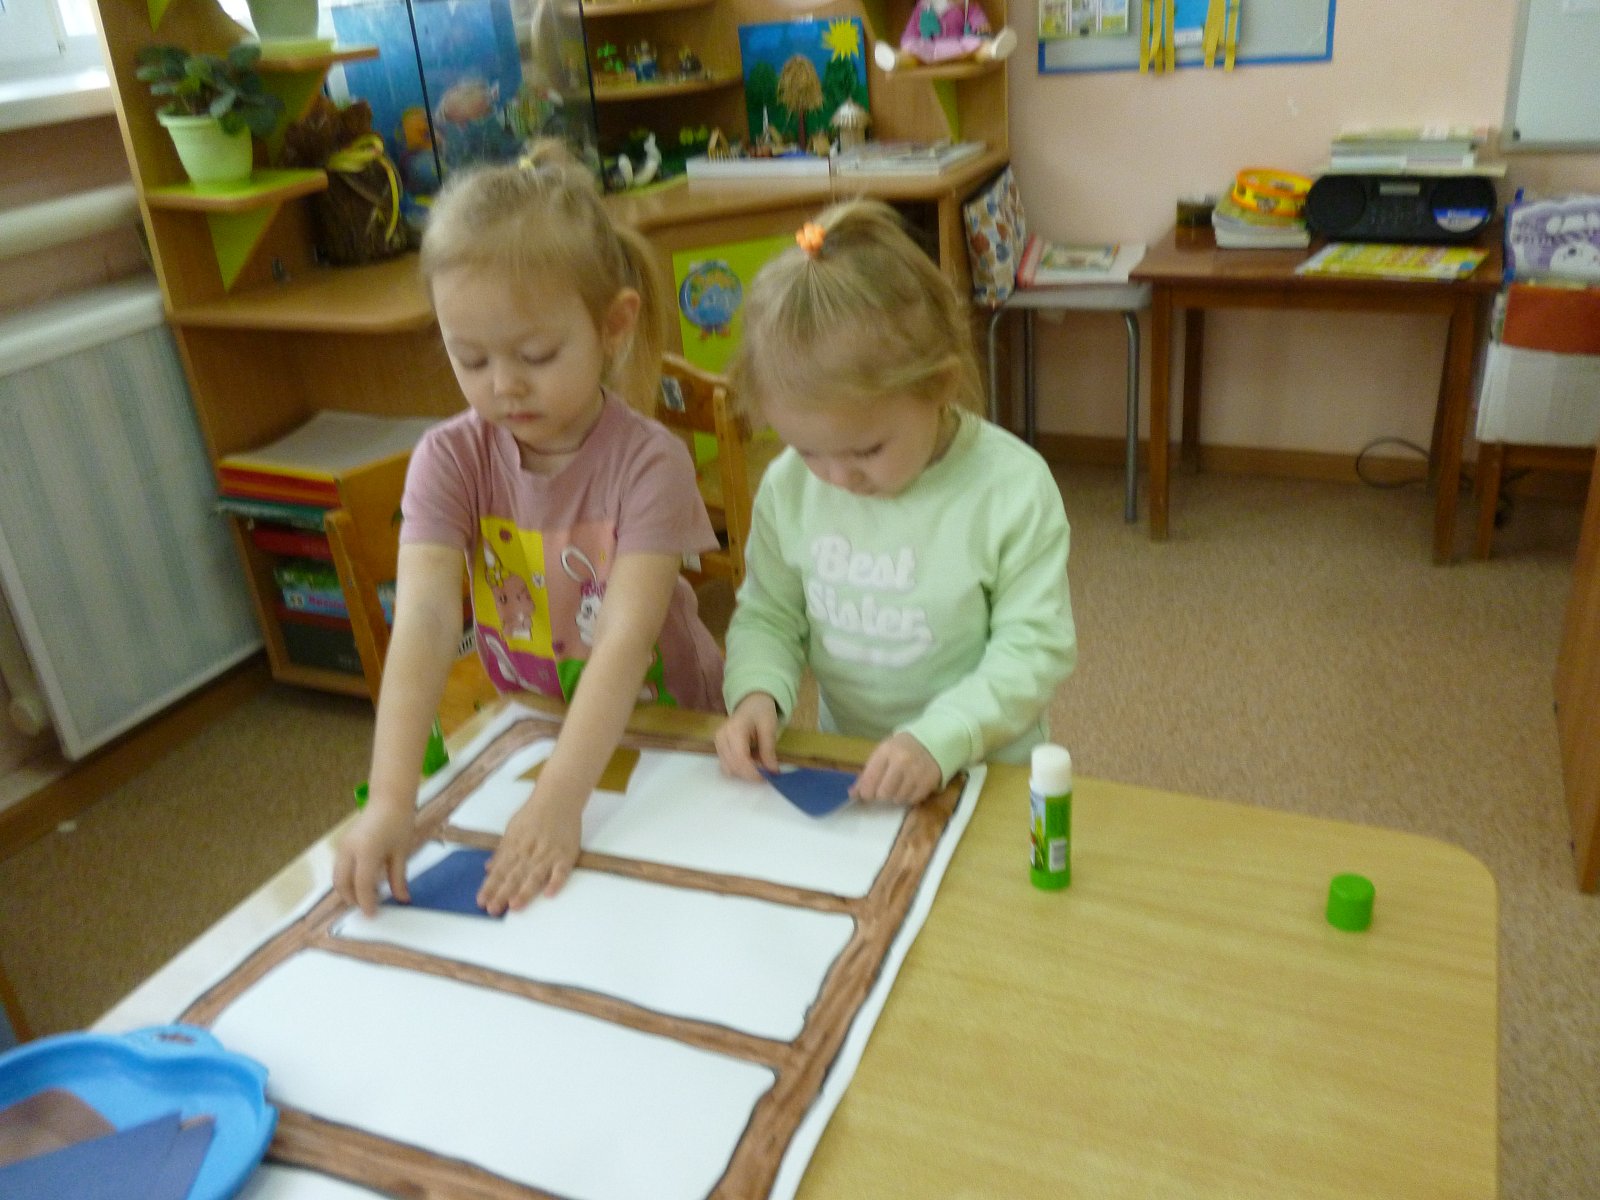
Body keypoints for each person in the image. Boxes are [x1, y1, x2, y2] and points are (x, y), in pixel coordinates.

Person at [335, 146, 725, 917]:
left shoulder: (651, 461)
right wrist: (391, 797)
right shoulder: (450, 457)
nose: (503, 385)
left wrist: (557, 800)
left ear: (613, 326)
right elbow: (425, 618)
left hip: (671, 725)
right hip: (540, 724)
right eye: (470, 357)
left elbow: (623, 639)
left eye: (536, 355)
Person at [714, 200, 1075, 804]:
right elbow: (770, 614)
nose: (837, 477)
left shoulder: (1011, 489)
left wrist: (938, 739)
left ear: (939, 385)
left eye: (866, 450)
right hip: (855, 770)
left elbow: (1034, 650)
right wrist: (755, 693)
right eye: (808, 449)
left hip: (987, 770)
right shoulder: (789, 486)